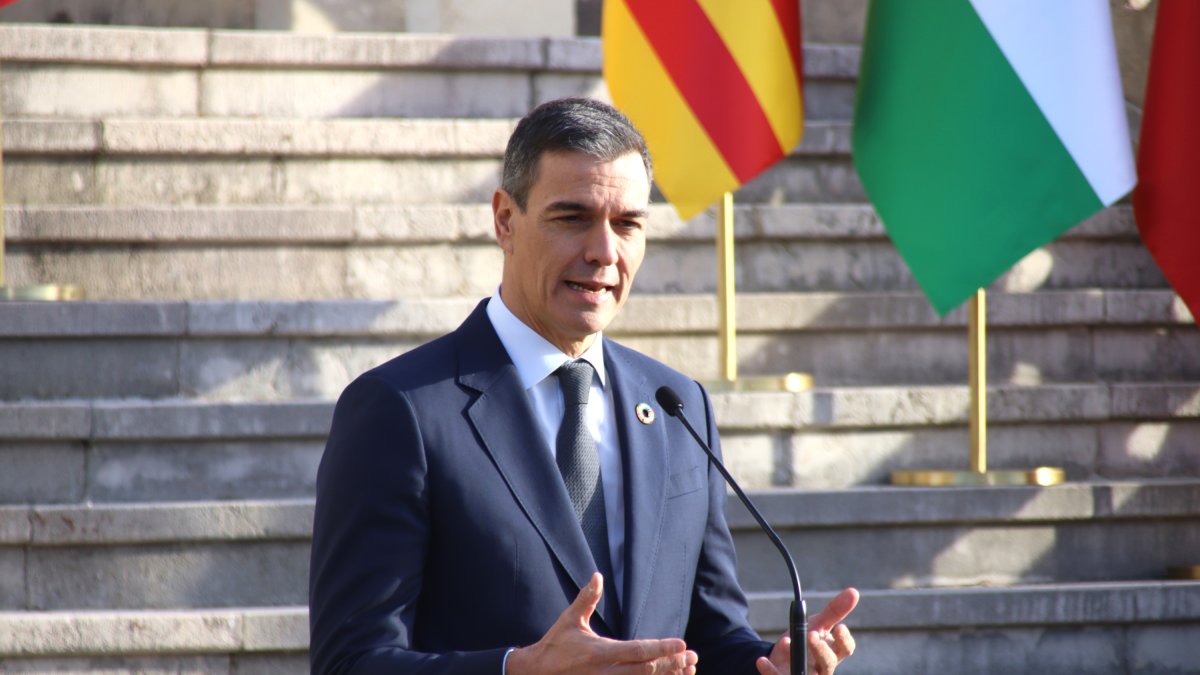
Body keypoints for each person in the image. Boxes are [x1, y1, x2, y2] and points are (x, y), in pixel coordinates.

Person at [308, 97, 858, 675]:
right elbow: (352, 662)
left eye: (628, 224)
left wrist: (767, 663)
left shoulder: (677, 405)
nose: (603, 252)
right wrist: (518, 668)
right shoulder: (403, 409)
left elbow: (708, 636)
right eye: (571, 218)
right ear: (504, 221)